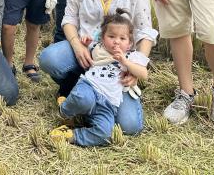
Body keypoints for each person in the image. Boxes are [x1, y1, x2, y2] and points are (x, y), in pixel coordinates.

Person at [38, 0, 157, 135]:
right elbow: (68, 20)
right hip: (85, 52)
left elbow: (145, 33)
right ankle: (81, 87)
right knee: (49, 59)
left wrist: (134, 67)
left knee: (130, 126)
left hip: (117, 63)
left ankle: (87, 100)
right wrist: (76, 46)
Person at [50, 10, 149, 146]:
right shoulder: (98, 48)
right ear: (102, 38)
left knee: (105, 134)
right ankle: (64, 110)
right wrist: (84, 43)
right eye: (111, 36)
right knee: (82, 98)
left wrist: (125, 63)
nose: (116, 42)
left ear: (130, 43)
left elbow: (144, 73)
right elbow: (85, 49)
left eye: (122, 38)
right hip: (90, 87)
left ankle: (71, 136)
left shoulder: (131, 56)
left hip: (109, 103)